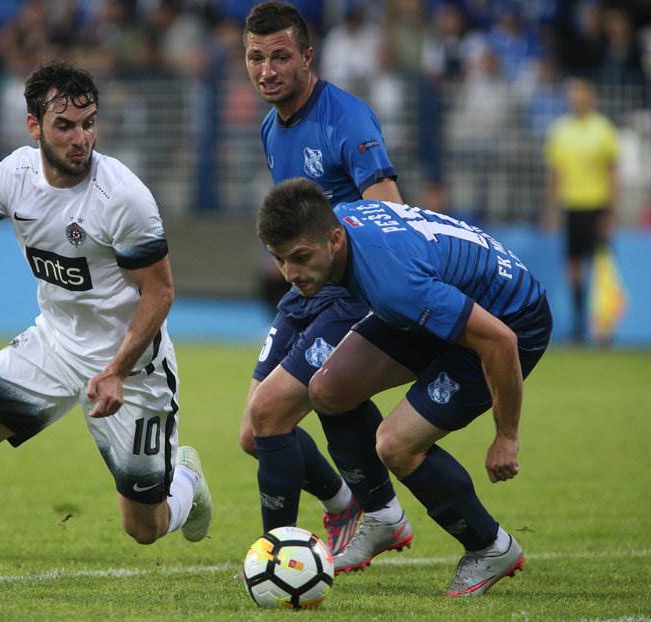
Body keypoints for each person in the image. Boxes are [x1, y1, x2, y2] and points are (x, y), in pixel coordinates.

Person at [0, 61, 212, 590]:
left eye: (89, 123)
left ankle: (187, 480)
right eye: (65, 125)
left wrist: (114, 370)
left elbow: (160, 293)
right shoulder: (14, 177)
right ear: (34, 126)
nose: (80, 138)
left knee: (144, 527)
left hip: (129, 369)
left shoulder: (123, 199)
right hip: (55, 343)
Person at [257, 177, 552, 596]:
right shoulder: (339, 225)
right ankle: (383, 517)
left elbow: (499, 340)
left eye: (300, 258)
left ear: (335, 240)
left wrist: (506, 436)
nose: (290, 274)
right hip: (440, 298)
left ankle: (490, 546)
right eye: (280, 259)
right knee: (328, 391)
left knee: (395, 444)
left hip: (512, 322)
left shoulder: (393, 283)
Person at [240, 0, 411, 570]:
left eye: (280, 57)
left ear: (308, 57)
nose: (267, 70)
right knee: (253, 432)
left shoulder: (347, 117)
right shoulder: (270, 127)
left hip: (349, 293)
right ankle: (344, 504)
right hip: (306, 292)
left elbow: (388, 207)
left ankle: (278, 560)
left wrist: (374, 286)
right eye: (256, 58)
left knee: (271, 415)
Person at [544, 78, 618, 343]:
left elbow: (612, 173)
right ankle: (578, 321)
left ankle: (602, 325)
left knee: (600, 267)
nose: (576, 100)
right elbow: (555, 174)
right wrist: (550, 209)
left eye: (581, 95)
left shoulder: (603, 130)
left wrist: (610, 211)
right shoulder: (560, 131)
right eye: (573, 96)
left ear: (591, 98)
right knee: (573, 265)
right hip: (572, 205)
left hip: (596, 205)